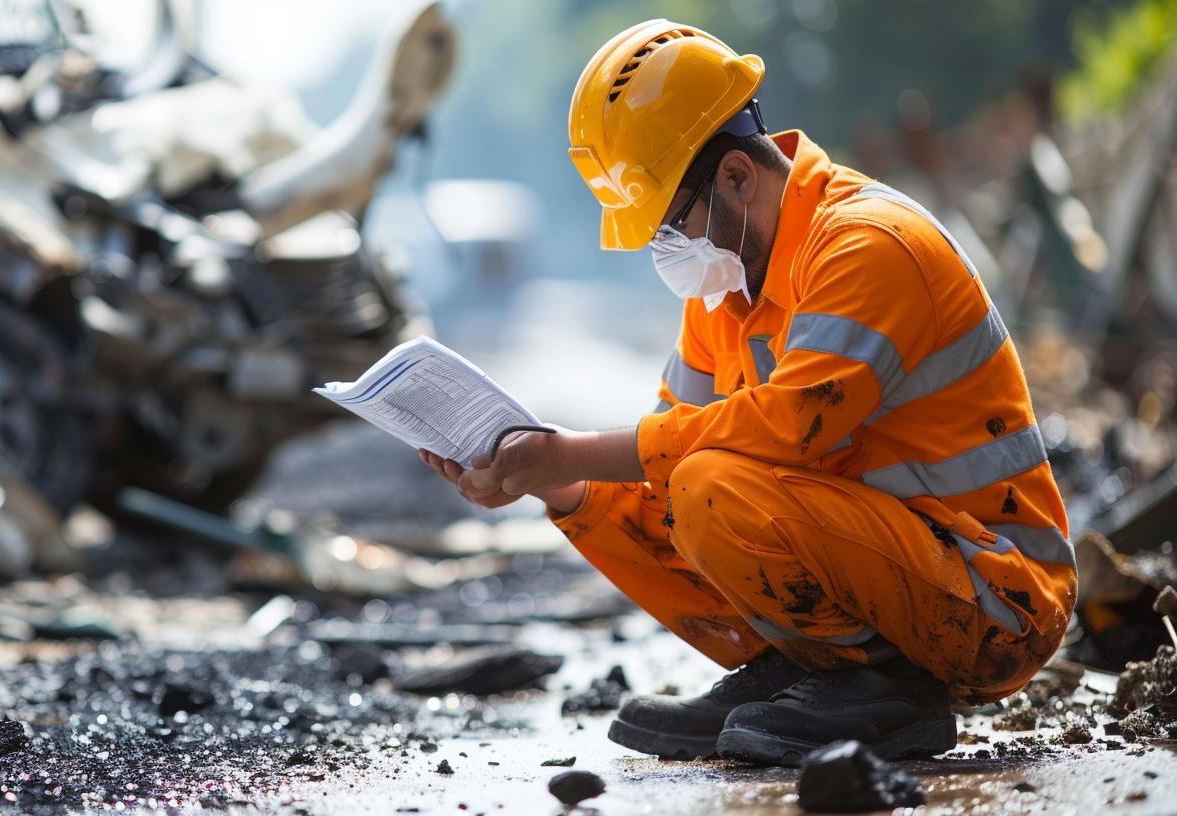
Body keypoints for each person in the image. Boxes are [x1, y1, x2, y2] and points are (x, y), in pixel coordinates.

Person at [418, 19, 1075, 767]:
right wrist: (550, 479)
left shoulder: (864, 245)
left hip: (996, 599)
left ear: (736, 177)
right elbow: (660, 477)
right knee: (690, 487)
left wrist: (573, 449)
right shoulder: (721, 298)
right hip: (901, 578)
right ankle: (813, 669)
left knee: (709, 483)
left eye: (670, 224)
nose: (666, 248)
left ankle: (883, 690)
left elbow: (793, 426)